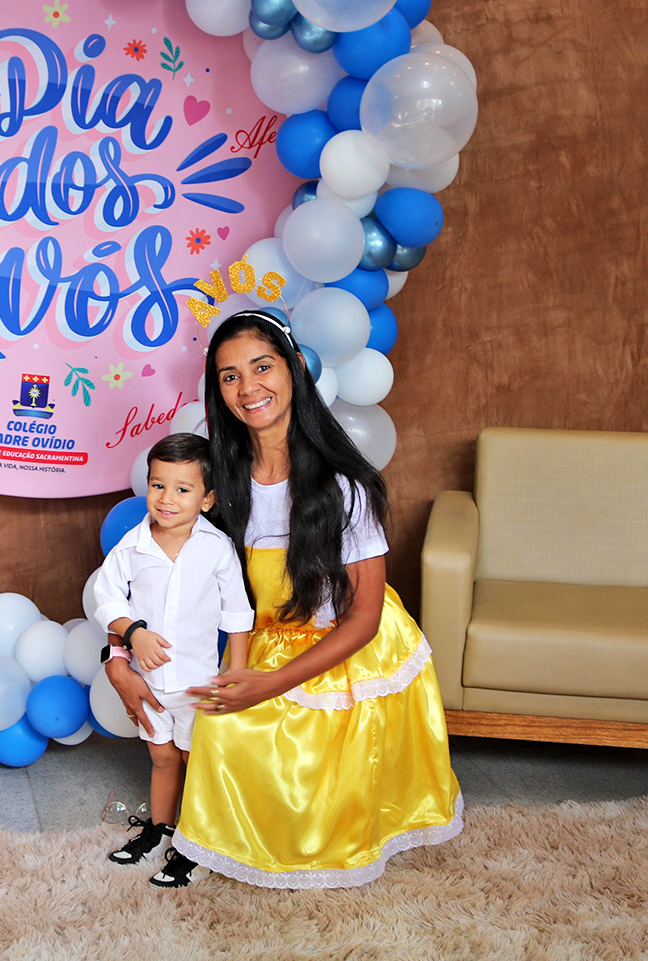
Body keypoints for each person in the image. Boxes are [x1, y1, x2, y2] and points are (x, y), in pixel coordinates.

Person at [105, 308, 463, 888]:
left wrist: (268, 685)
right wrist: (117, 657)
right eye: (229, 376)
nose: (248, 387)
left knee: (254, 742)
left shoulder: (343, 486)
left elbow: (364, 620)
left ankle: (253, 835)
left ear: (294, 367)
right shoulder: (214, 481)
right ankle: (196, 831)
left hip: (342, 650)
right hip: (260, 639)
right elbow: (141, 573)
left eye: (262, 366)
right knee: (213, 719)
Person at [89, 432, 254, 887]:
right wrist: (133, 633)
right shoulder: (133, 545)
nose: (166, 498)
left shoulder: (216, 548)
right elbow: (107, 597)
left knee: (193, 760)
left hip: (199, 685)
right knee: (161, 756)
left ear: (207, 499)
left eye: (183, 489)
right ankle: (160, 829)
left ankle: (194, 844)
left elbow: (237, 612)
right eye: (158, 485)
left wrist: (237, 671)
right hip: (149, 682)